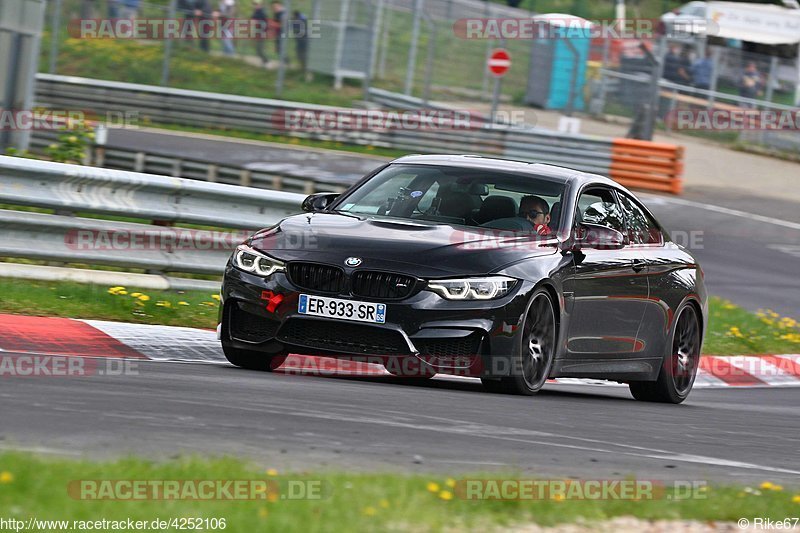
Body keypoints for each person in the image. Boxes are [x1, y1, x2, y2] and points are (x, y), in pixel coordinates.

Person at [251, 1, 269, 66]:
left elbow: (264, 23)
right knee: (258, 49)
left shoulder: (262, 13)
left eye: (257, 5)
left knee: (260, 49)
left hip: (262, 33)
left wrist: (256, 22)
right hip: (257, 33)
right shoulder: (255, 12)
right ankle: (265, 60)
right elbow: (252, 20)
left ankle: (265, 61)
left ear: (260, 5)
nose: (255, 6)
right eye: (254, 5)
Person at [292, 10, 309, 74]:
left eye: (293, 16)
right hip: (300, 41)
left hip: (303, 42)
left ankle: (305, 69)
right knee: (300, 55)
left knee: (303, 55)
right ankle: (303, 68)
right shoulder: (301, 20)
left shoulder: (301, 21)